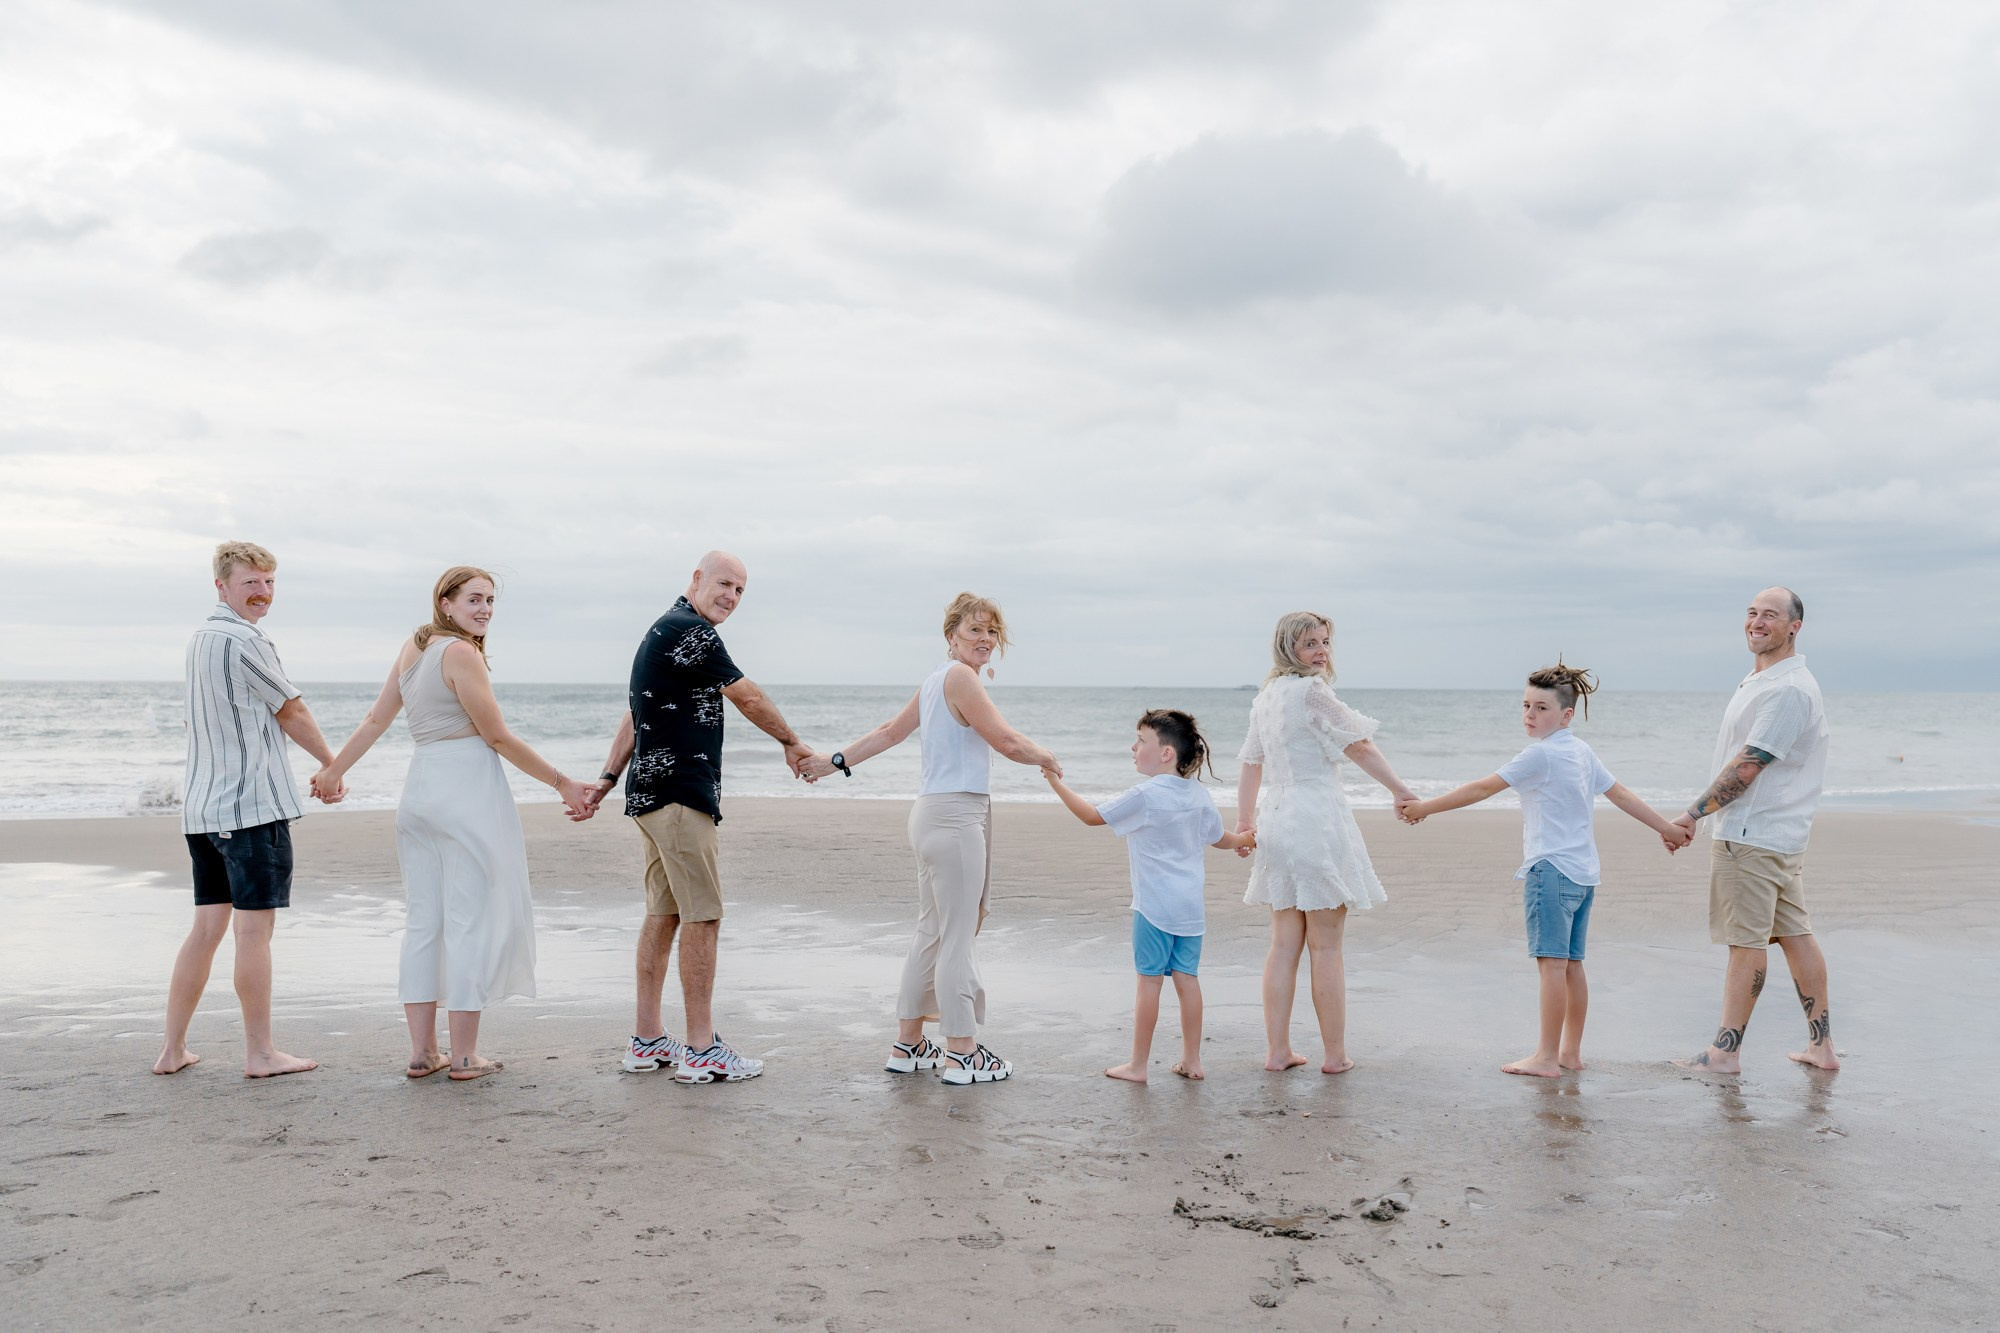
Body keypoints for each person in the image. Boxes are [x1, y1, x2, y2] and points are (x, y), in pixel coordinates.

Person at [314, 567, 595, 1081]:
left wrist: (335, 769)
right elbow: (498, 737)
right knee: (469, 920)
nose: (485, 609)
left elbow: (376, 719)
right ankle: (464, 1057)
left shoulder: (413, 649)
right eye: (473, 600)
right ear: (444, 603)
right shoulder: (461, 654)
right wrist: (562, 782)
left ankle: (423, 1053)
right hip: (465, 791)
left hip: (420, 790)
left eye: (490, 601)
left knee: (425, 922)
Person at [799, 593, 1061, 1085]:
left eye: (991, 632)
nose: (985, 639)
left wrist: (833, 762)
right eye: (975, 631)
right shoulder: (959, 678)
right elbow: (1006, 741)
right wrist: (1045, 755)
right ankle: (963, 1053)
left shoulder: (935, 681)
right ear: (951, 637)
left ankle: (909, 1045)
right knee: (957, 936)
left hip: (931, 815)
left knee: (932, 933)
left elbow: (888, 733)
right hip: (956, 816)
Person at [588, 551, 816, 1084]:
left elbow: (633, 714)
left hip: (652, 794)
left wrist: (606, 780)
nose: (731, 597)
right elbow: (747, 694)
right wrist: (792, 742)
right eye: (723, 584)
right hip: (680, 798)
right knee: (703, 917)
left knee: (664, 914)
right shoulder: (691, 631)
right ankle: (701, 1048)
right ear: (696, 579)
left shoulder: (662, 630)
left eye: (740, 590)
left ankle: (646, 1041)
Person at [1398, 663, 1692, 1077]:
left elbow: (1484, 787)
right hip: (1584, 875)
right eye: (1525, 706)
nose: (1530, 715)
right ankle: (1569, 1053)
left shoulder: (1540, 753)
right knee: (1571, 965)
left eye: (1541, 708)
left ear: (1566, 715)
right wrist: (1667, 828)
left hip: (1550, 872)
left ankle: (1546, 1057)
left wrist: (1425, 807)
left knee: (1552, 966)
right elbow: (1620, 794)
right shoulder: (1581, 751)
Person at [154, 541, 339, 1079]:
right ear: (221, 586)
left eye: (269, 582)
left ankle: (172, 1050)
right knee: (252, 934)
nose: (262, 593)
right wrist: (332, 765)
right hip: (250, 809)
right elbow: (292, 709)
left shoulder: (200, 639)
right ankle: (260, 1054)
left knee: (207, 928)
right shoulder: (244, 640)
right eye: (250, 583)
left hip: (203, 811)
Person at [1235, 611, 1416, 1076]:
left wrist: (1244, 820)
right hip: (1314, 818)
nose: (1321, 651)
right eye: (1310, 643)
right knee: (1326, 946)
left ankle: (1278, 1051)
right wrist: (1400, 789)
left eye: (1325, 641)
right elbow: (1359, 745)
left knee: (1283, 944)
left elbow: (1252, 764)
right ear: (1287, 647)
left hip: (1277, 817)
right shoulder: (1312, 691)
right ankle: (1335, 1056)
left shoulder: (1266, 698)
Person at [1671, 587, 1837, 1074]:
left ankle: (1724, 1053)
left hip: (1751, 836)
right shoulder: (1765, 679)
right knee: (1796, 936)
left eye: (1770, 615)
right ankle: (1821, 1048)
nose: (1757, 622)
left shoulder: (1787, 689)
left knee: (1745, 945)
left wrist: (1691, 815)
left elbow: (1749, 766)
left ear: (1794, 627)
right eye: (1751, 613)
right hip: (1776, 837)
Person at [1041, 710, 1255, 1083]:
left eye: (1141, 740)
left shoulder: (1146, 794)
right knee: (1188, 980)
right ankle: (1192, 1060)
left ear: (1166, 753)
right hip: (1190, 909)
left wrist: (1055, 782)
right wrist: (1245, 840)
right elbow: (1219, 837)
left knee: (1149, 983)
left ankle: (1138, 1065)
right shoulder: (1198, 793)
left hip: (1154, 908)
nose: (1134, 747)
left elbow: (1092, 817)